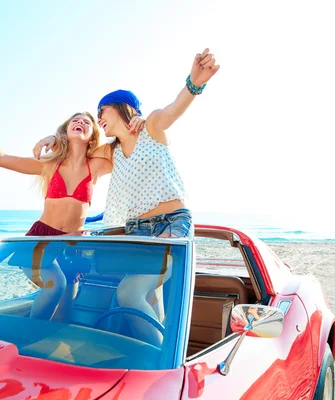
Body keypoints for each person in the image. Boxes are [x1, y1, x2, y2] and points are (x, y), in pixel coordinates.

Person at [33, 49, 220, 344]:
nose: (98, 120)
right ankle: (154, 363)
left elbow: (176, 107)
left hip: (170, 225)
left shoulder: (153, 127)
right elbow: (77, 147)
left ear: (118, 107)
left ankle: (163, 360)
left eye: (101, 113)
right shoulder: (111, 151)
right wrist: (54, 139)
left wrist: (195, 83)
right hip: (135, 233)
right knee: (149, 299)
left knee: (129, 293)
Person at [0, 108, 112, 320]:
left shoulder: (97, 165)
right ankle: (28, 336)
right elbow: (2, 158)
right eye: (75, 120)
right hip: (42, 240)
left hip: (73, 246)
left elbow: (126, 144)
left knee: (64, 313)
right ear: (66, 130)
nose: (80, 122)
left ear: (92, 138)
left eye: (86, 122)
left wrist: (53, 138)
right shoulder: (50, 165)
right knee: (55, 284)